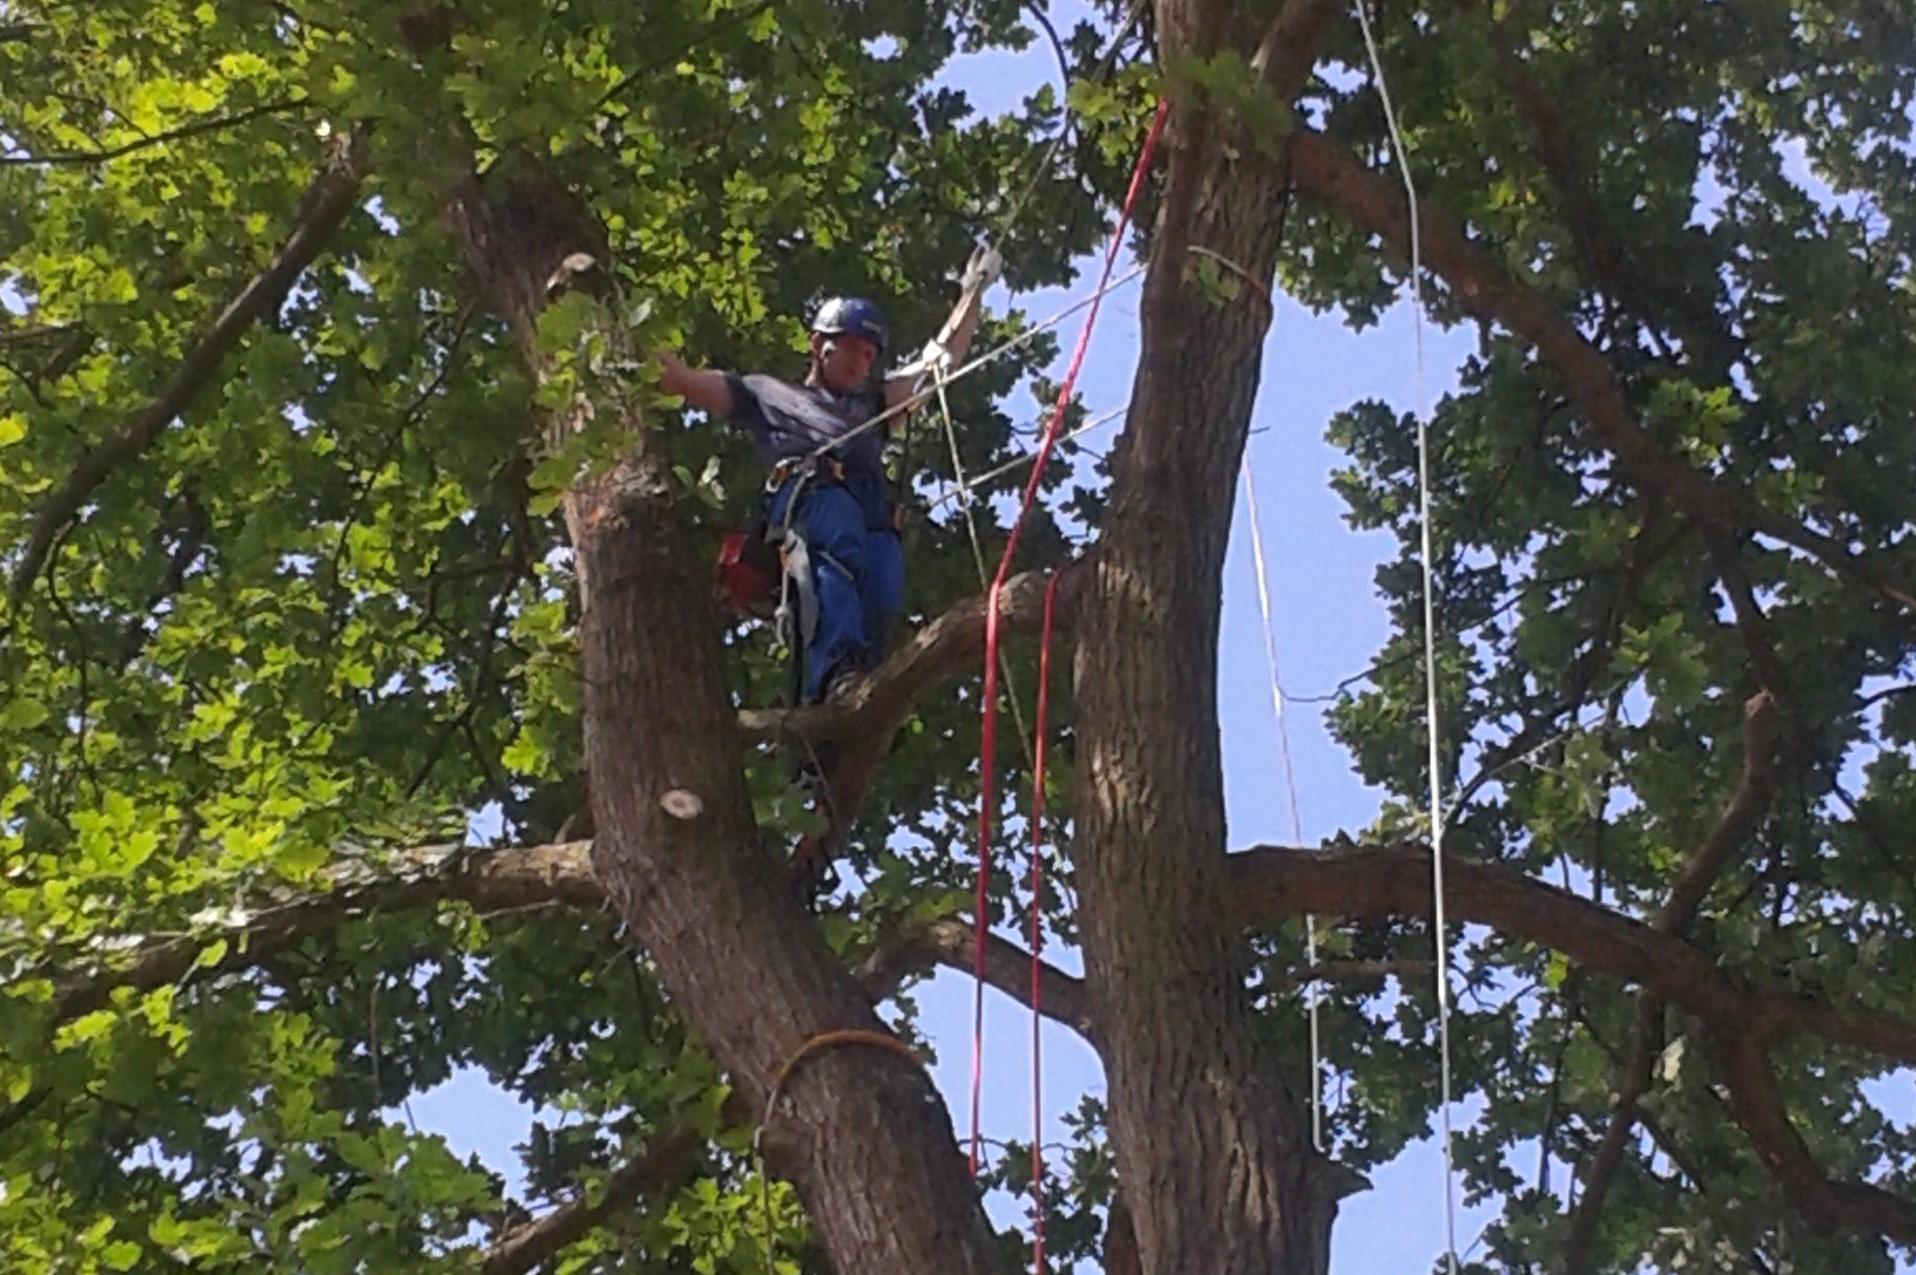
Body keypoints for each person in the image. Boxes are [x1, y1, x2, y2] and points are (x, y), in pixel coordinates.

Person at [657, 245, 1001, 704]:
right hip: (812, 494)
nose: (862, 363)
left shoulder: (871, 407)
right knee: (836, 549)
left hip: (870, 511)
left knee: (882, 581)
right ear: (819, 346)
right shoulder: (765, 393)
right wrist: (625, 337)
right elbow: (683, 380)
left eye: (869, 354)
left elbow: (939, 365)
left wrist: (972, 292)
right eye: (852, 349)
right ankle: (834, 677)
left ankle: (866, 692)